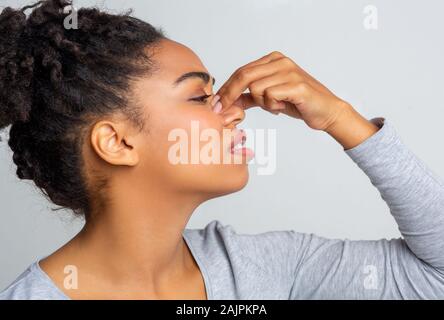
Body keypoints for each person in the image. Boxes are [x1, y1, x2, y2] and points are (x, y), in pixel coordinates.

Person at [0, 0, 443, 300]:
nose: (234, 111)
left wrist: (341, 118)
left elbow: (434, 277)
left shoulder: (257, 270)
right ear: (117, 143)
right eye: (198, 97)